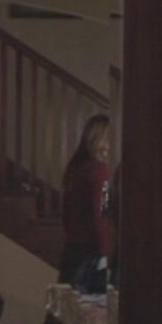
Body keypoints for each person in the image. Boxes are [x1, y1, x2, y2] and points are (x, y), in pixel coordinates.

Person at [59, 114, 114, 287]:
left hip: (72, 250)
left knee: (67, 301)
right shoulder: (100, 172)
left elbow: (66, 212)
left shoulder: (75, 168)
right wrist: (106, 254)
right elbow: (101, 214)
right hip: (91, 253)